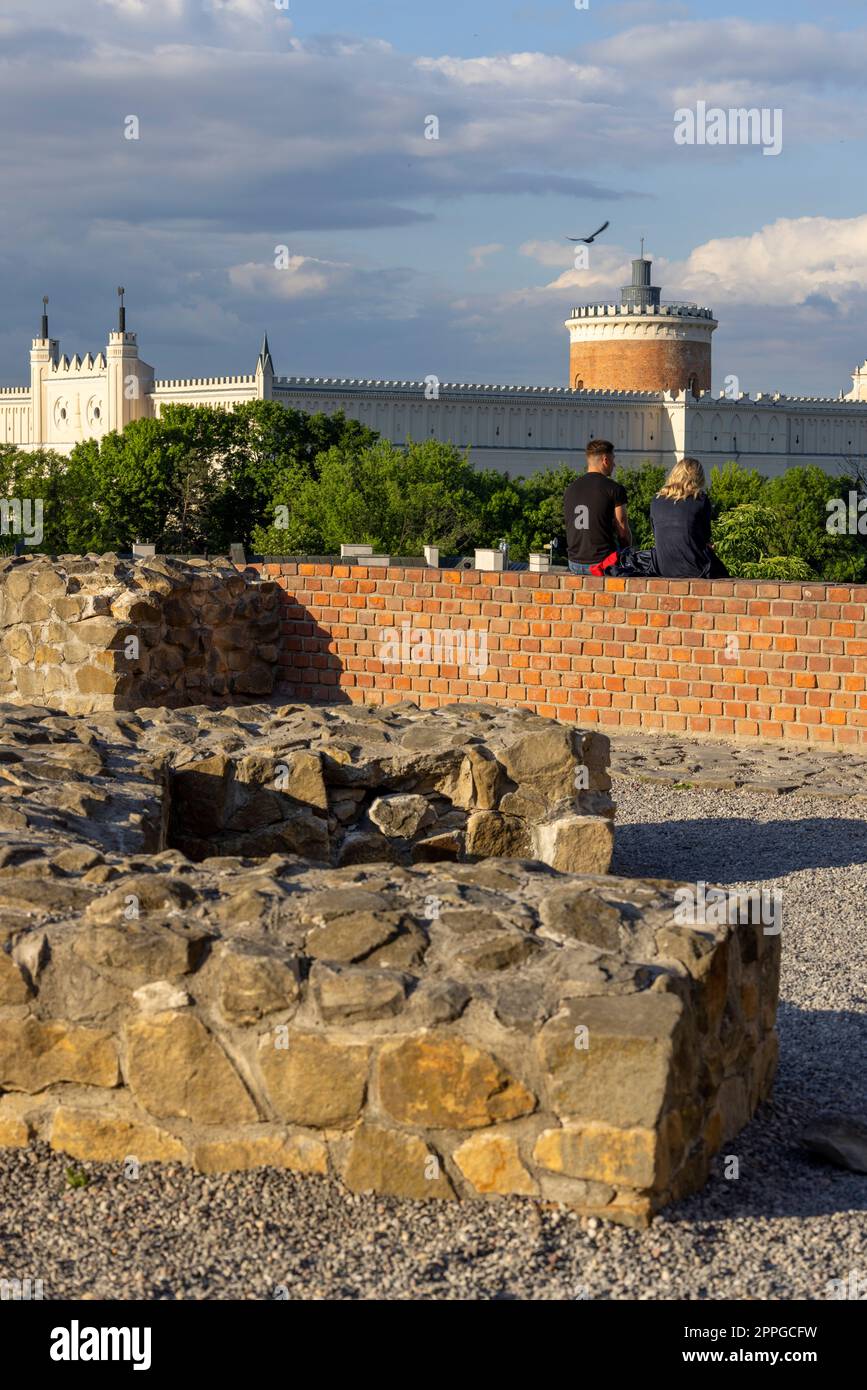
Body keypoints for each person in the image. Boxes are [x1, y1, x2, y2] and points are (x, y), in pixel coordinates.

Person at [650, 457, 729, 578]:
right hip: (694, 569)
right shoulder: (701, 499)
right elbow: (705, 538)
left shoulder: (656, 500)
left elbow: (657, 534)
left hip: (663, 568)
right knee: (723, 574)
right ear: (698, 477)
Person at [564, 439, 631, 574]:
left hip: (574, 563)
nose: (614, 464)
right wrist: (628, 552)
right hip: (601, 563)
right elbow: (622, 528)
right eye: (613, 460)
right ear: (605, 460)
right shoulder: (614, 489)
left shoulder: (570, 489)